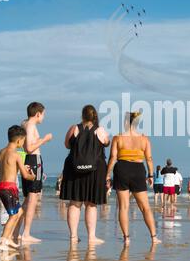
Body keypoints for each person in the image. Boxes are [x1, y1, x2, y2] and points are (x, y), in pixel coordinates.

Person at [106, 111, 161, 246]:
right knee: (145, 207)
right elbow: (149, 159)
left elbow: (113, 158)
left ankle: (127, 238)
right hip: (138, 170)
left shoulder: (118, 137)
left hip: (122, 169)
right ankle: (154, 237)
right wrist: (151, 175)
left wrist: (107, 175)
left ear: (125, 122)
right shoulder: (144, 139)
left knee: (123, 207)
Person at [60, 105, 110, 245]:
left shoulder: (74, 128)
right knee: (91, 204)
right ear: (95, 116)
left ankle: (73, 237)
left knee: (75, 203)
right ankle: (91, 237)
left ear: (82, 115)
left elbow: (66, 145)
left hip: (74, 169)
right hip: (95, 170)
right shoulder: (100, 130)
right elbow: (106, 142)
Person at [0, 125, 35, 251]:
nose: (23, 143)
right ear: (18, 141)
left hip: (1, 186)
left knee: (20, 212)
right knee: (13, 216)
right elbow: (25, 175)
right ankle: (3, 240)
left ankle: (8, 239)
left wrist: (19, 167)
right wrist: (33, 176)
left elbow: (7, 168)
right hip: (10, 188)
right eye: (23, 141)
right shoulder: (16, 154)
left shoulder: (1, 152)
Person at [19, 102, 53, 243]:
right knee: (32, 199)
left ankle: (17, 232)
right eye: (43, 114)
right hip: (33, 160)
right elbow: (28, 148)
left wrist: (38, 140)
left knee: (28, 199)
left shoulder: (25, 123)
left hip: (29, 161)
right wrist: (44, 140)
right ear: (38, 114)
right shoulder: (31, 125)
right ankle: (26, 233)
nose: (43, 117)